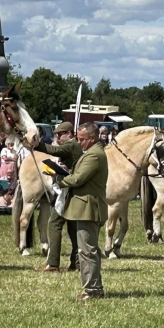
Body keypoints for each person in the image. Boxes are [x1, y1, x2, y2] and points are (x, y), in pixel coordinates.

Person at [57, 122, 108, 300]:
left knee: (87, 250)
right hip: (85, 208)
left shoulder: (94, 155)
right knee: (86, 250)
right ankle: (93, 288)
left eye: (82, 139)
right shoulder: (91, 153)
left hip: (89, 208)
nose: (79, 143)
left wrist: (60, 179)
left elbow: (78, 179)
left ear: (92, 138)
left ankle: (93, 290)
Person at [33, 121, 82, 273]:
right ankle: (77, 263)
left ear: (69, 134)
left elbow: (54, 150)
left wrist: (37, 144)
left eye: (60, 135)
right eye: (56, 135)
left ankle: (53, 263)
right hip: (73, 190)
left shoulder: (72, 145)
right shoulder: (75, 147)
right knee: (73, 228)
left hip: (68, 191)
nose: (58, 138)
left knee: (54, 224)